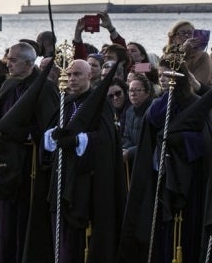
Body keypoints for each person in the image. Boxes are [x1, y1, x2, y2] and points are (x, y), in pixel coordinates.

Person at [118, 57, 211, 263]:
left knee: (186, 225)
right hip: (160, 172)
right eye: (161, 76)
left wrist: (182, 139)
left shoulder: (196, 104)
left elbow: (205, 141)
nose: (164, 80)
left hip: (189, 177)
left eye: (169, 75)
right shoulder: (160, 104)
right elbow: (152, 125)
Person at [43, 60, 126, 263]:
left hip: (86, 179)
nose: (72, 79)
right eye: (69, 75)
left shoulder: (100, 104)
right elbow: (49, 135)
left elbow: (106, 140)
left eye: (77, 74)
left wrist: (77, 140)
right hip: (62, 173)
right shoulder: (66, 102)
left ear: (90, 76)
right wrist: (54, 135)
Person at [0, 42, 59, 263]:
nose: (8, 64)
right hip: (5, 161)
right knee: (5, 218)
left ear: (29, 63)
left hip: (29, 164)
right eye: (8, 59)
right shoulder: (9, 84)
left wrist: (25, 134)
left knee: (23, 218)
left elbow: (49, 127)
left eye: (14, 60)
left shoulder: (44, 88)